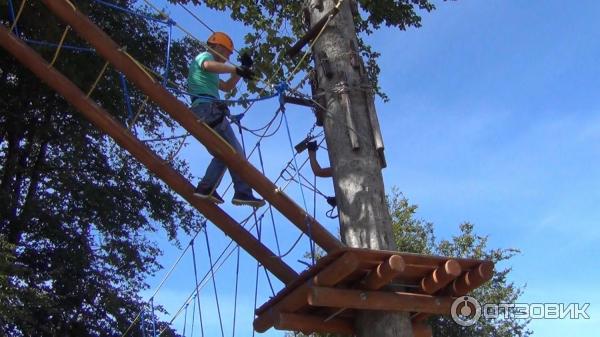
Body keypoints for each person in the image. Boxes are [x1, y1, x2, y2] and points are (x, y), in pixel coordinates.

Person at [188, 32, 265, 207]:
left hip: (204, 111)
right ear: (218, 47)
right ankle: (243, 192)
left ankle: (205, 188)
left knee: (222, 153)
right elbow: (208, 65)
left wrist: (241, 70)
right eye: (228, 53)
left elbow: (227, 87)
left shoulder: (211, 75)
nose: (228, 57)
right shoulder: (205, 56)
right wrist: (235, 69)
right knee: (236, 153)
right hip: (209, 109)